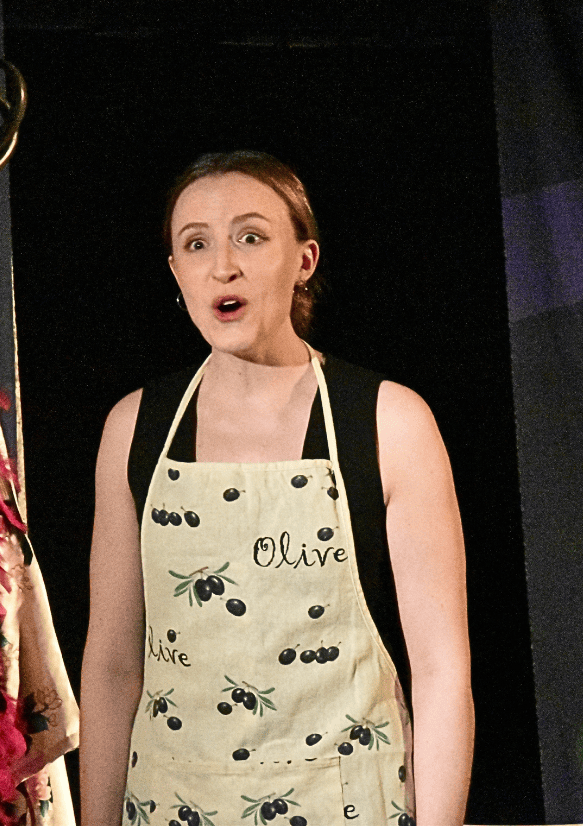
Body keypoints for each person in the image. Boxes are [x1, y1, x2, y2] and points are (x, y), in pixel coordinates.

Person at [80, 151, 473, 826]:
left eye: (251, 237)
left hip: (349, 803)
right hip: (175, 803)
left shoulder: (387, 421)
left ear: (304, 260)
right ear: (175, 272)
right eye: (195, 244)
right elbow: (113, 666)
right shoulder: (134, 428)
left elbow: (440, 672)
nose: (222, 266)